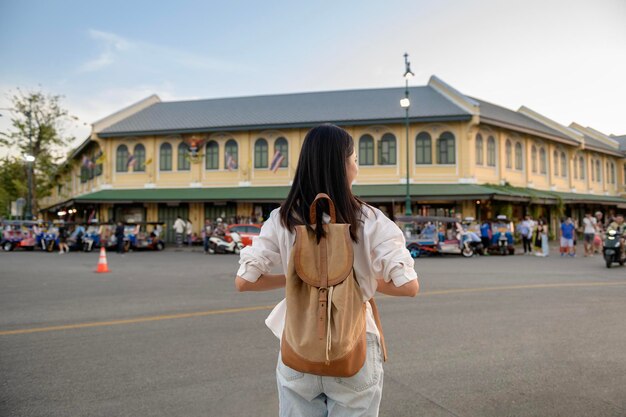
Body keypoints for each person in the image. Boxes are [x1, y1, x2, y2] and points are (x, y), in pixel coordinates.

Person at [235, 124, 418, 416]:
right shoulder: (370, 219)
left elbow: (245, 281)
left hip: (299, 345)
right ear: (344, 166)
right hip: (354, 348)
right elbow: (408, 286)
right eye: (355, 159)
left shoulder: (281, 219)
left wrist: (301, 279)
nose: (357, 167)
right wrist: (358, 280)